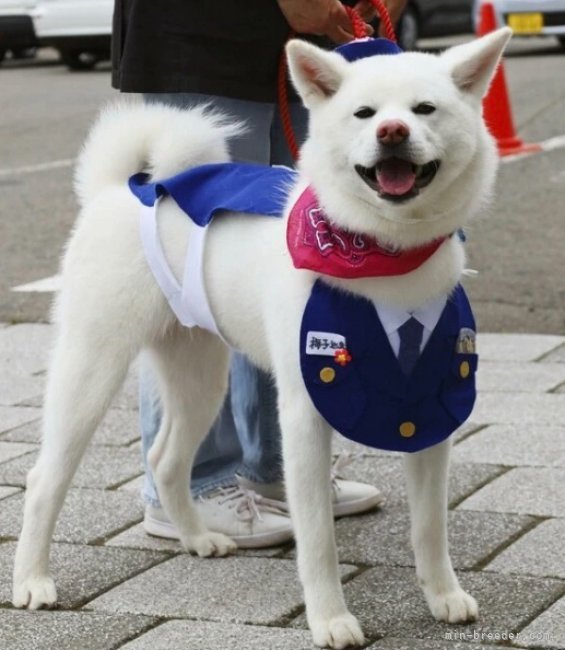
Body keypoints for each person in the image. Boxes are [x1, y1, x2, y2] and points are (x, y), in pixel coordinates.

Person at [112, 0, 401, 548]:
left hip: (295, 46)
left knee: (290, 265)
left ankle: (274, 467)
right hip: (203, 35)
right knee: (196, 260)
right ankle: (190, 486)